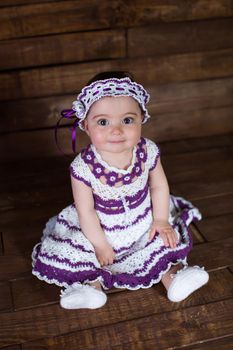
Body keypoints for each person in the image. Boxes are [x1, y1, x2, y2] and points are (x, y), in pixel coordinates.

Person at [32, 71, 209, 309]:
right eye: (103, 122)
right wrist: (100, 245)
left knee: (160, 242)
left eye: (127, 120)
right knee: (83, 252)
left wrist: (159, 219)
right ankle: (90, 288)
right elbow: (86, 212)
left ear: (141, 119)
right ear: (85, 125)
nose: (116, 130)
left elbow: (159, 185)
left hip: (143, 219)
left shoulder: (147, 151)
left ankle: (175, 277)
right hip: (99, 228)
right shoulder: (82, 168)